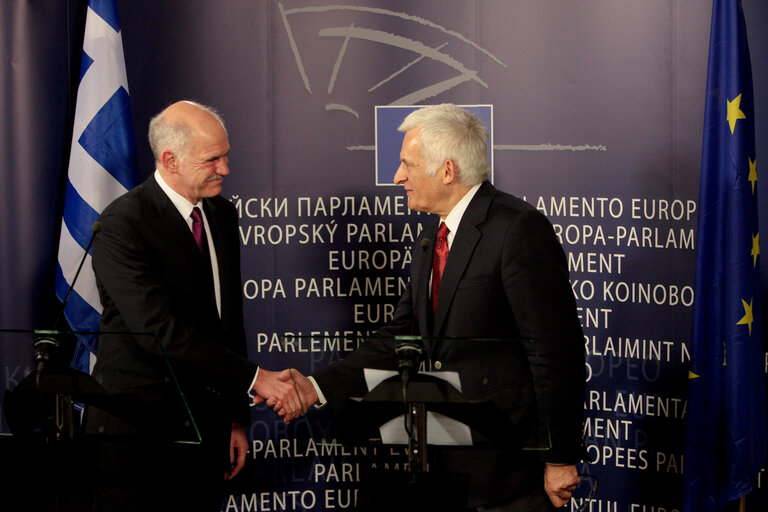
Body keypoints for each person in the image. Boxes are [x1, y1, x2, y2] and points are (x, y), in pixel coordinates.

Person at [284, 104, 586, 511]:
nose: (397, 177)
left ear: (447, 171)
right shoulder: (431, 238)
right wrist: (316, 387)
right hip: (442, 463)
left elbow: (554, 354)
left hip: (509, 470)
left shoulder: (517, 230)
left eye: (408, 164)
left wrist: (560, 456)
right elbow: (399, 338)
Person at [86, 100, 301, 511]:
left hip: (207, 432)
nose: (225, 169)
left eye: (226, 156)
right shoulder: (122, 224)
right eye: (212, 159)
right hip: (141, 436)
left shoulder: (221, 213)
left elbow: (228, 321)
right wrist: (255, 379)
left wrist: (236, 418)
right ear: (170, 160)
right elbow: (160, 331)